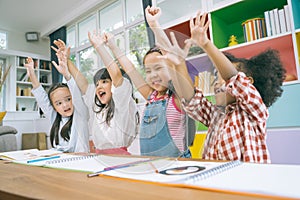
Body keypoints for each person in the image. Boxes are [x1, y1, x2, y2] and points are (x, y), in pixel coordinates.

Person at [148, 7, 286, 163]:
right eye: (216, 79)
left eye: (223, 81)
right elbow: (190, 98)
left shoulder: (255, 111)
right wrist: (155, 27)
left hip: (247, 183)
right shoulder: (216, 115)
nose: (217, 84)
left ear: (249, 83)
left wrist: (205, 44)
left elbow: (234, 79)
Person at [102, 27, 195, 157]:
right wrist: (113, 46)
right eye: (148, 71)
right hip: (151, 164)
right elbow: (130, 69)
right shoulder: (151, 96)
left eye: (158, 68)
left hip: (177, 166)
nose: (153, 75)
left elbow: (177, 68)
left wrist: (154, 25)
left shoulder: (178, 97)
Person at [52, 33, 139, 155]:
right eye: (97, 84)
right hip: (98, 156)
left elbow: (116, 75)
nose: (99, 87)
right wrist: (67, 60)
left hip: (120, 157)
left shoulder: (122, 102)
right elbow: (83, 84)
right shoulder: (98, 107)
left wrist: (99, 47)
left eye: (104, 82)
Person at [24, 57, 89, 153]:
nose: (65, 105)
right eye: (59, 103)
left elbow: (77, 95)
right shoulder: (54, 117)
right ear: (54, 107)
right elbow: (42, 99)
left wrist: (66, 74)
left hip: (79, 161)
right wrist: (32, 74)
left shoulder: (80, 115)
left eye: (68, 99)